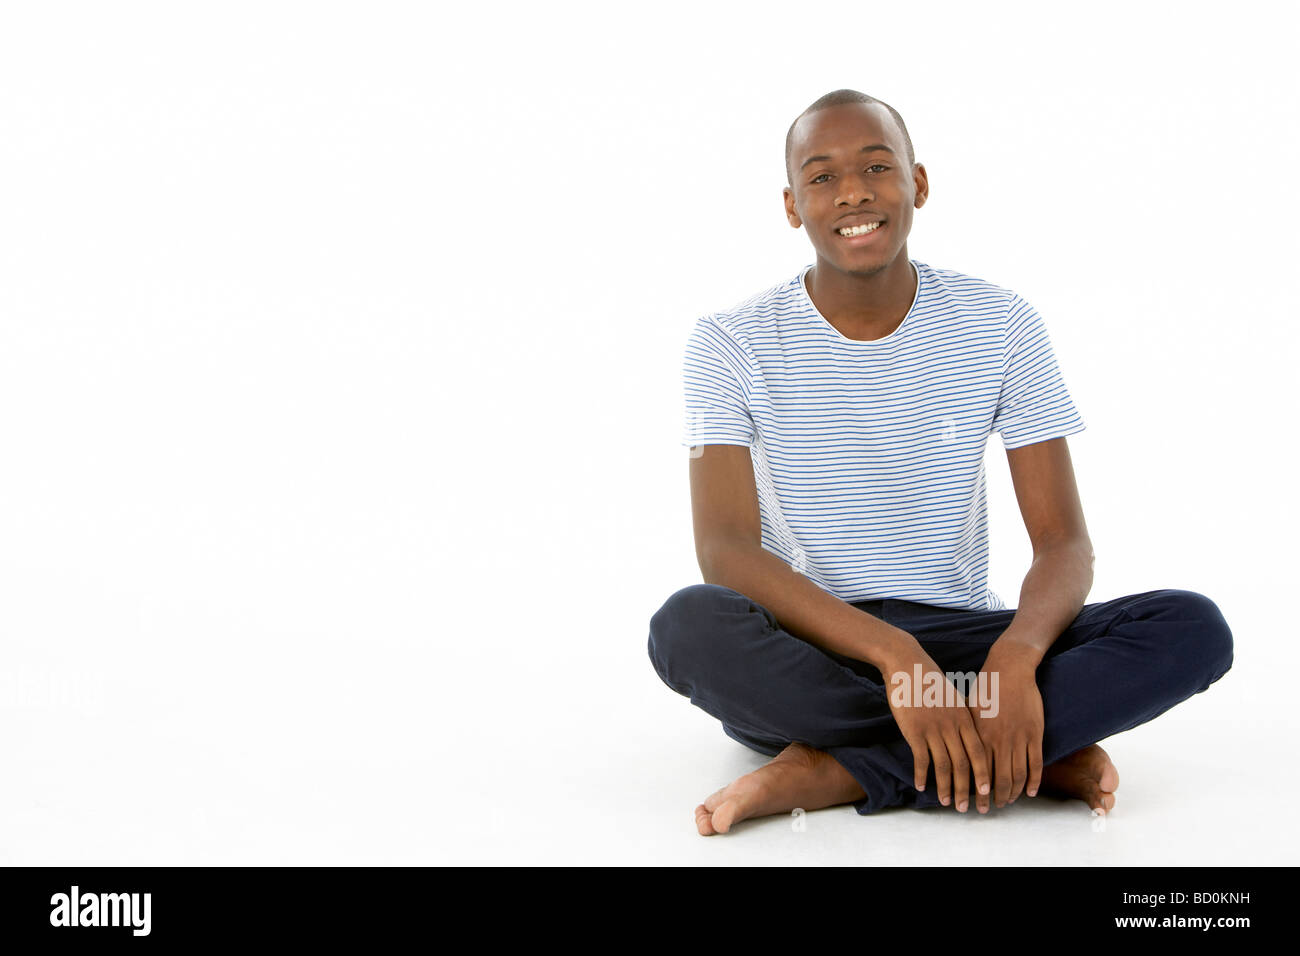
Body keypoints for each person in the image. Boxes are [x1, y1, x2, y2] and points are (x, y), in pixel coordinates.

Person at [647, 89, 1234, 836]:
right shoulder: (729, 341)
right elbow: (725, 550)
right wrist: (894, 657)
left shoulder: (1001, 323)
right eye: (821, 176)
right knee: (686, 628)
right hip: (816, 647)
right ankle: (1019, 752)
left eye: (877, 166)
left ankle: (836, 767)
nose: (853, 190)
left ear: (918, 184)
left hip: (967, 639)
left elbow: (1063, 542)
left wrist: (1018, 656)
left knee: (1192, 627)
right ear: (792, 206)